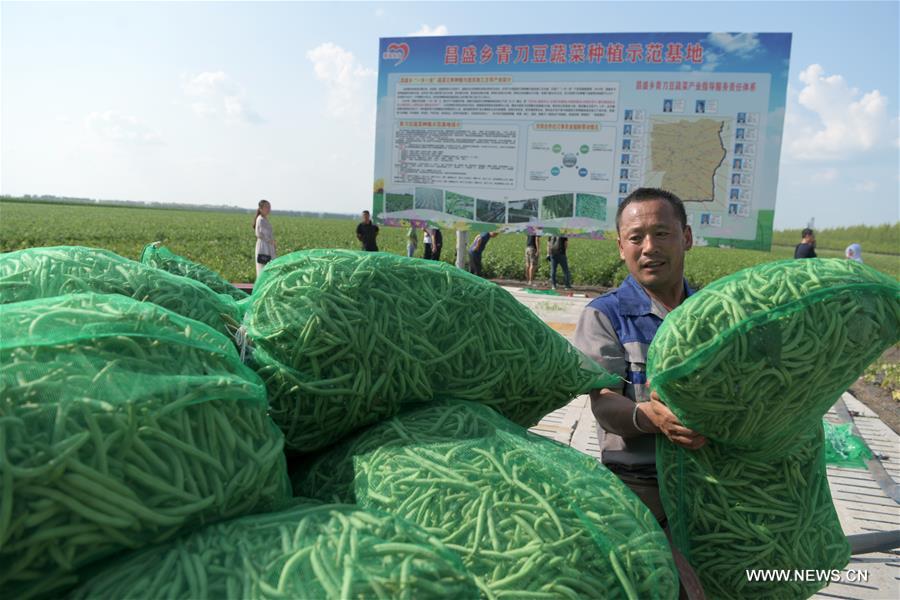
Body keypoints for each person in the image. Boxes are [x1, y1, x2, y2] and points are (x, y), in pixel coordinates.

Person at [573, 187, 705, 524]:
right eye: (636, 237)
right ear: (621, 247)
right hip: (639, 494)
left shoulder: (715, 314)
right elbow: (604, 403)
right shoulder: (606, 315)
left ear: (686, 237)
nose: (649, 247)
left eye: (662, 233)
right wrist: (653, 418)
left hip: (715, 489)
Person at [253, 199, 276, 278]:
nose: (268, 209)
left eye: (269, 207)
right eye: (266, 207)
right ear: (261, 209)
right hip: (264, 246)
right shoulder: (261, 219)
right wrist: (270, 241)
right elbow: (259, 234)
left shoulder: (264, 219)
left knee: (268, 266)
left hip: (268, 245)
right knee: (264, 267)